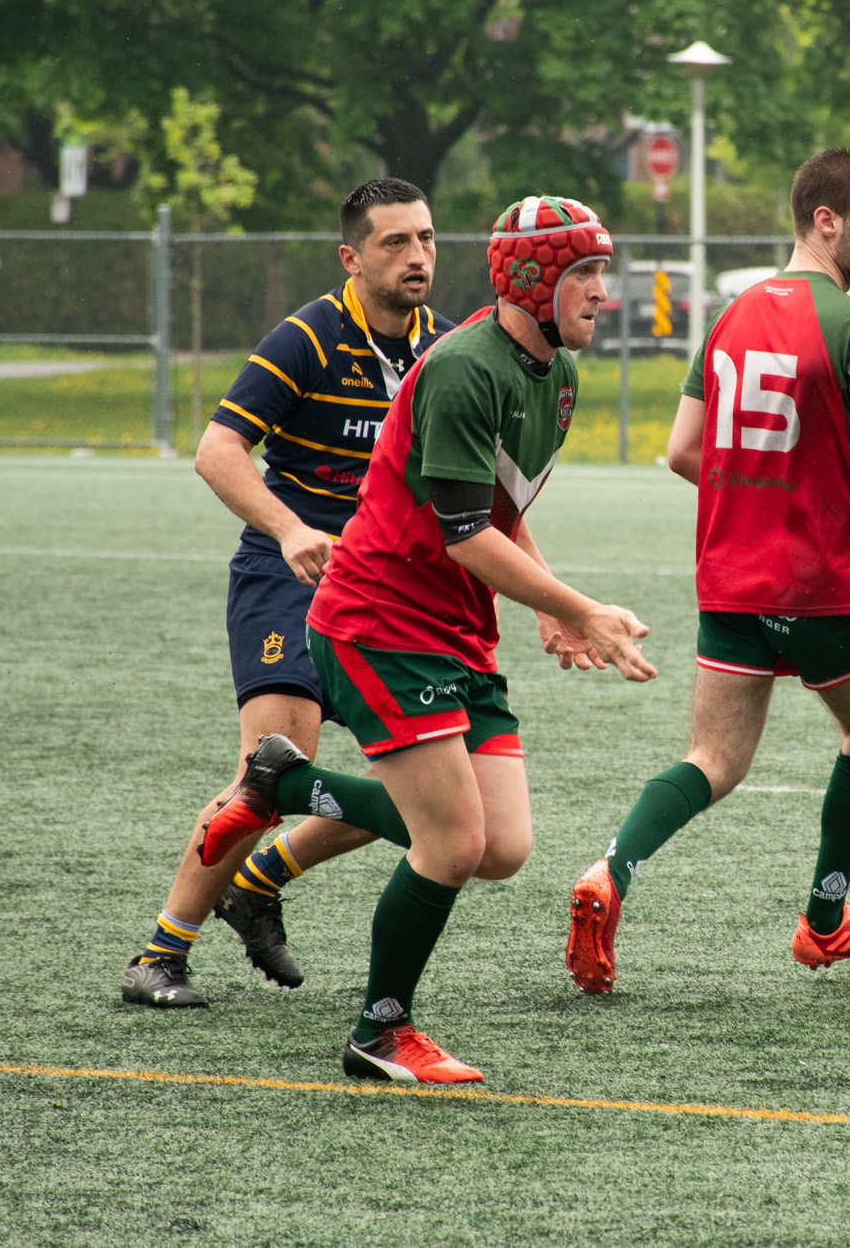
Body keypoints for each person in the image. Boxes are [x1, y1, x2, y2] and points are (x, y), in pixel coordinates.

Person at [199, 194, 656, 1084]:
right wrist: (582, 604)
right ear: (534, 278)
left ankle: (286, 780)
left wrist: (548, 604)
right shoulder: (464, 366)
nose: (606, 292)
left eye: (604, 273)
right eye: (588, 273)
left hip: (452, 626)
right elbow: (460, 531)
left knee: (499, 847)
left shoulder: (554, 375)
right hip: (380, 620)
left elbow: (501, 511)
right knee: (447, 844)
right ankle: (380, 1029)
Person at [565, 148, 850, 996]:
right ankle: (827, 920)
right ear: (826, 221)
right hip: (826, 584)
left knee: (712, 759)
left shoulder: (728, 316)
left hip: (731, 579)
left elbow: (683, 451)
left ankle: (611, 869)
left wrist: (761, 489)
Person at [120, 178, 452, 1008]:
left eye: (427, 239)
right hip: (290, 579)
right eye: (394, 243)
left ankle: (261, 880)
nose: (417, 257)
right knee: (268, 774)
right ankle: (159, 955)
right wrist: (290, 528)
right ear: (351, 256)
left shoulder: (443, 350)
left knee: (442, 802)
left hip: (394, 594)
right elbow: (218, 450)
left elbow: (476, 487)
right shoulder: (306, 336)